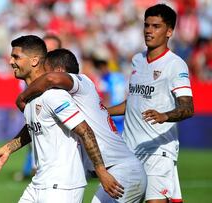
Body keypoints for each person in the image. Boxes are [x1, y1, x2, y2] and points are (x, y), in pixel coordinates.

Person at [0, 35, 123, 203]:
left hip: (62, 186)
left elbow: (85, 131)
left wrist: (101, 172)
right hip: (39, 183)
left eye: (16, 57)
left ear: (34, 60)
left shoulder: (54, 95)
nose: (11, 62)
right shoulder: (32, 96)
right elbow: (34, 127)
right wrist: (8, 149)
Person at [16, 48, 147, 203]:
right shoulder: (65, 101)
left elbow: (51, 79)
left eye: (44, 72)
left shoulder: (81, 81)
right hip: (119, 171)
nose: (41, 79)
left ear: (60, 71)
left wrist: (22, 97)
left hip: (122, 172)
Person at [107, 4, 194, 203]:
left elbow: (188, 108)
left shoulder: (175, 64)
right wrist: (102, 111)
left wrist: (164, 116)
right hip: (130, 150)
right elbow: (134, 103)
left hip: (157, 151)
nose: (148, 30)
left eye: (156, 26)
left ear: (169, 31)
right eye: (146, 25)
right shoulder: (137, 60)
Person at [15, 33, 63, 181]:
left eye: (52, 48)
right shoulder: (29, 74)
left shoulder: (63, 77)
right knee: (34, 134)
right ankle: (30, 170)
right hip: (38, 117)